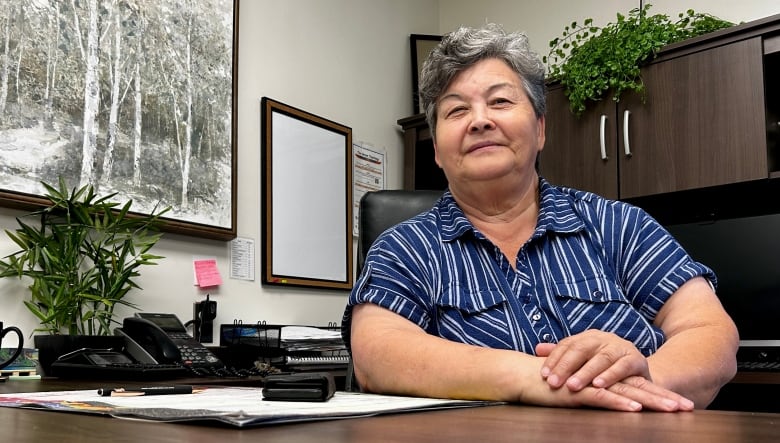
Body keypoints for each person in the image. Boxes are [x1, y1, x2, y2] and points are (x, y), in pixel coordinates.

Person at [342, 24, 738, 412]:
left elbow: (709, 330)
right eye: (456, 110)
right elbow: (377, 353)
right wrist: (536, 379)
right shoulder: (403, 249)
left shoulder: (620, 225)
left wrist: (643, 380)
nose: (480, 120)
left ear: (540, 129)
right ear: (438, 153)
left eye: (500, 102)